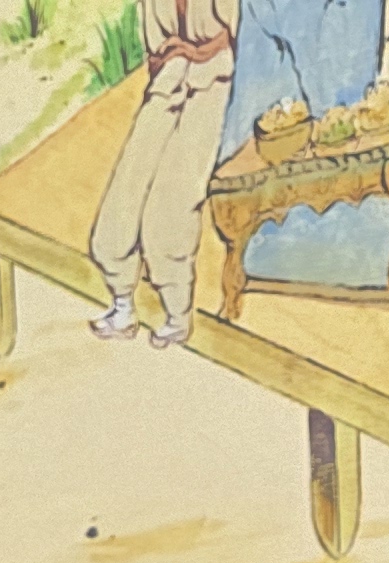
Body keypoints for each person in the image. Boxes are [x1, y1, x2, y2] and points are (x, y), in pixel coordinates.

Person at [84, 0, 233, 346]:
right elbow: (155, 51)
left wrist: (193, 52)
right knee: (127, 185)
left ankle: (177, 314)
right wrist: (172, 57)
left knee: (172, 198)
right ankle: (122, 303)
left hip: (219, 81)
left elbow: (239, 37)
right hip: (171, 79)